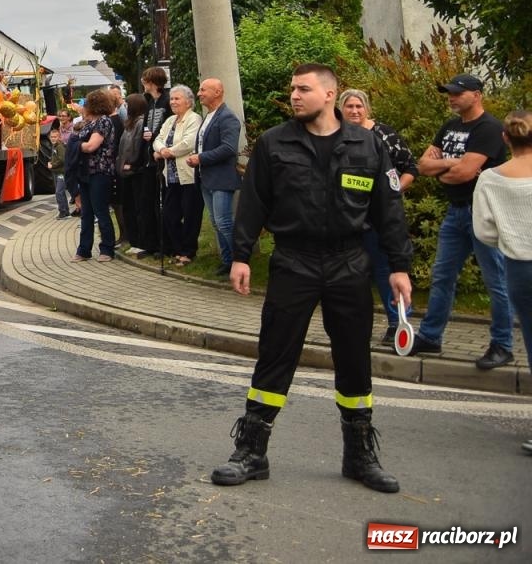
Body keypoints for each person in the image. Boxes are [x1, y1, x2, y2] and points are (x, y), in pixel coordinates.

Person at [212, 64, 412, 493]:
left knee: (354, 359)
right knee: (275, 354)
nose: (295, 95)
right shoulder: (273, 143)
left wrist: (399, 267)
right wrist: (241, 256)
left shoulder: (367, 145)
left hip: (349, 264)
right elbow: (252, 204)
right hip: (294, 262)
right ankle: (251, 452)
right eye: (292, 89)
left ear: (330, 94)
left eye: (304, 88)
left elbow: (389, 212)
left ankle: (359, 455)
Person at [410, 74, 515, 370]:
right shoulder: (449, 127)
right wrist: (449, 164)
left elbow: (465, 174)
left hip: (483, 212)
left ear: (477, 94)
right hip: (455, 213)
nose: (451, 97)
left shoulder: (490, 128)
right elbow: (422, 165)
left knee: (496, 281)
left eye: (457, 93)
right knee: (442, 276)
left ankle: (503, 345)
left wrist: (446, 167)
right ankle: (431, 337)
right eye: (449, 93)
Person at [471, 110, 532, 454]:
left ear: (505, 139)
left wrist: (511, 239)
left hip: (521, 266)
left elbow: (485, 231)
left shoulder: (491, 178)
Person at [338, 89, 418, 345]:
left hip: (378, 220)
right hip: (347, 219)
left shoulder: (383, 135)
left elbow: (410, 168)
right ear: (340, 109)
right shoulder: (335, 135)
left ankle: (398, 322)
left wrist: (390, 194)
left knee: (386, 269)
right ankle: (353, 324)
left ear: (367, 109)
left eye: (359, 106)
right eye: (349, 106)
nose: (354, 111)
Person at [188, 78, 242, 278]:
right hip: (207, 178)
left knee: (224, 222)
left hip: (222, 178)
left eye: (203, 89)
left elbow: (229, 148)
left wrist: (201, 158)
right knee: (216, 222)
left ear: (218, 91)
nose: (199, 93)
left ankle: (240, 260)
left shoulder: (227, 117)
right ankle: (227, 261)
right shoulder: (209, 116)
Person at [151, 84, 202, 265]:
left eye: (177, 99)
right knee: (170, 215)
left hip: (188, 175)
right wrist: (162, 148)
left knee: (190, 216)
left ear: (188, 102)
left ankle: (188, 252)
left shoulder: (194, 119)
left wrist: (168, 152)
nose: (173, 102)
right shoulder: (170, 120)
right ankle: (179, 249)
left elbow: (189, 143)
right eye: (172, 99)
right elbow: (157, 139)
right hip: (171, 177)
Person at [73, 89, 118, 262]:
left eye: (86, 104)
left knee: (100, 210)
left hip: (100, 171)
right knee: (86, 212)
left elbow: (92, 146)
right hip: (86, 172)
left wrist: (76, 146)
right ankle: (84, 249)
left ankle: (107, 249)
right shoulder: (89, 123)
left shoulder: (104, 122)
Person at [137, 67, 173, 256]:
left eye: (145, 80)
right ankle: (151, 243)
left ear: (153, 82)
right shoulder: (150, 102)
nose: (143, 83)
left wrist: (155, 139)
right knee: (147, 202)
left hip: (161, 156)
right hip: (149, 157)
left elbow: (169, 126)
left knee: (161, 203)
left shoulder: (166, 101)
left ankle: (165, 244)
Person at [115, 93, 151, 251]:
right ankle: (133, 240)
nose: (126, 108)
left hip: (135, 171)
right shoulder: (129, 123)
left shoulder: (141, 123)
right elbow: (123, 146)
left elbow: (137, 145)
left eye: (128, 105)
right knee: (128, 207)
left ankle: (141, 241)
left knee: (138, 207)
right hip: (125, 171)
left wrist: (132, 164)